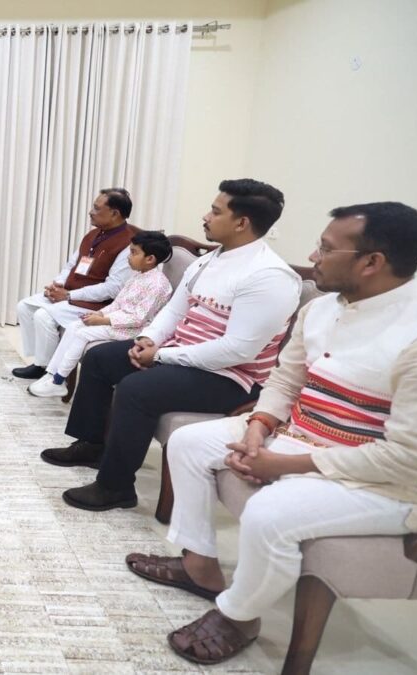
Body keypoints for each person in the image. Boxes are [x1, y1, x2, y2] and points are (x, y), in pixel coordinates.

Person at [125, 202, 417, 665]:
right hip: (302, 434)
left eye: (327, 248)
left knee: (271, 511)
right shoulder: (323, 308)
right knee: (191, 442)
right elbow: (285, 381)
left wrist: (284, 464)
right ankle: (200, 565)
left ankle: (238, 615)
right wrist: (258, 428)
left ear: (372, 263)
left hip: (394, 484)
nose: (313, 256)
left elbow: (411, 458)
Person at [42, 179, 301, 511]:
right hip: (181, 354)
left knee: (138, 389)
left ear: (242, 223)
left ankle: (116, 486)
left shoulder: (269, 277)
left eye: (215, 211)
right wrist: (148, 338)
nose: (205, 216)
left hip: (230, 377)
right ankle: (92, 445)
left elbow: (238, 351)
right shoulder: (208, 261)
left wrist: (160, 355)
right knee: (99, 358)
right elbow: (175, 310)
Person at [13, 188, 138, 382]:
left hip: (98, 305)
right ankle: (40, 362)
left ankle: (48, 371)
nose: (91, 212)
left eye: (97, 209)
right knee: (25, 306)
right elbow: (72, 264)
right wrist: (57, 284)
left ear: (115, 214)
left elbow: (113, 288)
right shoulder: (94, 234)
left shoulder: (127, 244)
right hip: (71, 294)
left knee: (43, 316)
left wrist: (69, 295)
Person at [29, 231, 173, 397]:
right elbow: (118, 303)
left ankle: (59, 380)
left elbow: (138, 317)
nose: (128, 257)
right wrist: (99, 313)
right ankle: (51, 374)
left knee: (83, 334)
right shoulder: (137, 277)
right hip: (118, 321)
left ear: (150, 259)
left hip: (136, 329)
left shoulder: (157, 284)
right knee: (75, 325)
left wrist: (103, 320)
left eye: (133, 253)